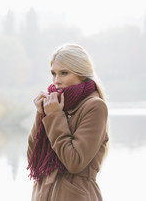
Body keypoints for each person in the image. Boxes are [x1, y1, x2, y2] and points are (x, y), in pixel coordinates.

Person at [27, 44, 109, 201]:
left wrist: (54, 116)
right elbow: (33, 158)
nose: (56, 81)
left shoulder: (94, 106)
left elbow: (74, 162)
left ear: (82, 74)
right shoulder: (55, 105)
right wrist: (41, 114)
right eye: (53, 74)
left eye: (64, 73)